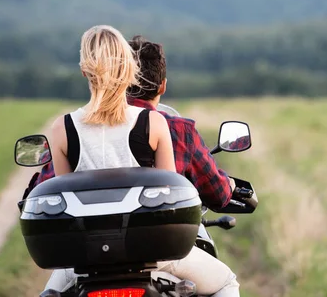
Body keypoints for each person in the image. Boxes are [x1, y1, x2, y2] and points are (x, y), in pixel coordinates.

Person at [40, 27, 240, 296]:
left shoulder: (61, 129)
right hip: (158, 255)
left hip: (86, 259)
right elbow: (173, 200)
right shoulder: (154, 123)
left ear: (84, 71)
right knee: (226, 282)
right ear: (128, 69)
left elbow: (64, 207)